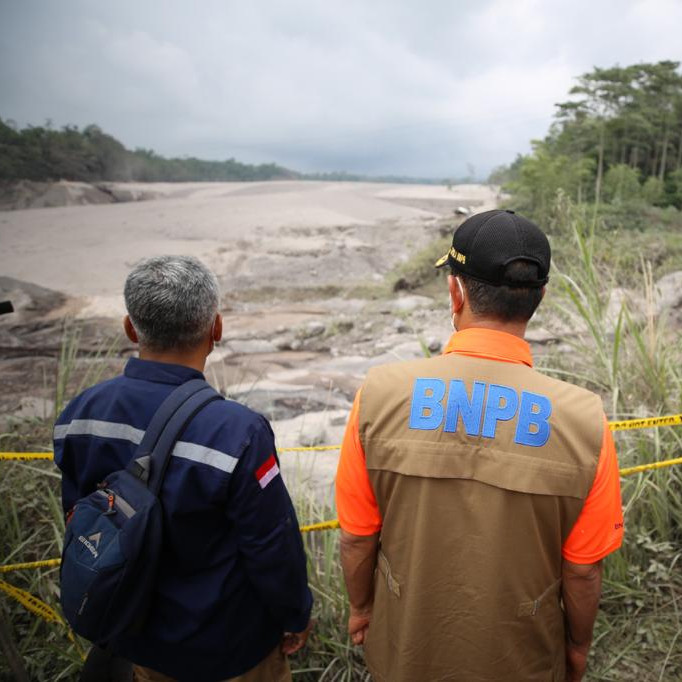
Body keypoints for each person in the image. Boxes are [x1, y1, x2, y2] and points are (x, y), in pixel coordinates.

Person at [335, 210, 624, 682]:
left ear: (456, 292)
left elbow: (356, 536)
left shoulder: (380, 394)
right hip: (523, 660)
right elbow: (583, 570)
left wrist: (363, 608)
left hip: (405, 652)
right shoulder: (584, 418)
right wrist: (576, 647)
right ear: (540, 298)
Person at [54, 255, 313, 682]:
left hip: (132, 636)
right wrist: (295, 612)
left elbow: (80, 517)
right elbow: (270, 545)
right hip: (227, 649)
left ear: (130, 328)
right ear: (217, 329)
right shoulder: (238, 431)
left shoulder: (80, 413)